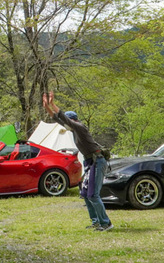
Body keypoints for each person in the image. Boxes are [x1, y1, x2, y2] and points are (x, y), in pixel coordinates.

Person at [42, 91, 113, 232]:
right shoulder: (74, 130)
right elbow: (59, 120)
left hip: (97, 161)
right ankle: (96, 222)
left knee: (93, 194)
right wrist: (46, 107)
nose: (65, 125)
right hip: (90, 162)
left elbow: (63, 119)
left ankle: (106, 223)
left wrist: (53, 104)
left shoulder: (80, 127)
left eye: (67, 122)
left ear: (73, 121)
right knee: (86, 194)